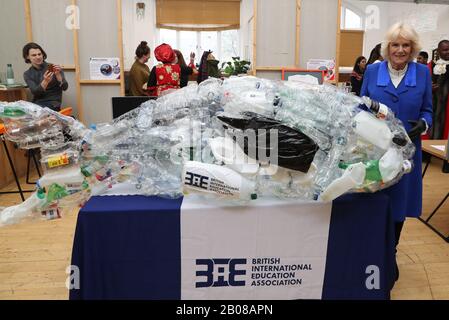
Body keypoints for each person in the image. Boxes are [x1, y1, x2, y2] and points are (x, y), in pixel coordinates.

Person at [361, 22, 432, 283]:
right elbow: (361, 106)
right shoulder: (372, 70)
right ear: (387, 47)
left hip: (407, 153)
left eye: (405, 45)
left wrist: (423, 124)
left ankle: (390, 254)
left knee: (399, 205)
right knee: (373, 200)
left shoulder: (422, 73)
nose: (400, 50)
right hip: (375, 150)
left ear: (412, 49)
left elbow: (428, 110)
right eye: (395, 44)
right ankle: (372, 252)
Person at [22, 42, 68, 111]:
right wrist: (45, 81)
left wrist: (58, 76)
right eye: (34, 55)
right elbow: (36, 93)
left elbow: (65, 87)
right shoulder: (27, 74)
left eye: (39, 54)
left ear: (42, 54)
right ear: (27, 57)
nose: (38, 57)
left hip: (53, 104)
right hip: (37, 104)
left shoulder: (53, 68)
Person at [429, 40, 449, 139]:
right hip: (433, 105)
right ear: (438, 51)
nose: (448, 52)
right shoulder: (430, 66)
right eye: (445, 50)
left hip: (446, 106)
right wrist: (429, 88)